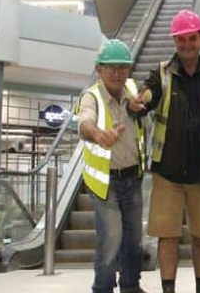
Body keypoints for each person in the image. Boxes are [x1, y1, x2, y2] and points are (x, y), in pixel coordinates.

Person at [129, 9, 200, 293]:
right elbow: (147, 95)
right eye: (181, 40)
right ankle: (168, 288)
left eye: (192, 39)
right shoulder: (161, 73)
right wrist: (138, 103)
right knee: (168, 237)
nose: (187, 45)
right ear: (174, 41)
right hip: (168, 173)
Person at [76, 39, 146, 293]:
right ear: (99, 69)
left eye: (122, 67)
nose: (116, 73)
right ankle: (102, 288)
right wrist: (97, 134)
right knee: (112, 238)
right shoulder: (91, 97)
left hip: (132, 177)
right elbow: (85, 122)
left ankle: (130, 285)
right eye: (110, 67)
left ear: (129, 69)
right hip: (104, 182)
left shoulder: (131, 89)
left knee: (134, 239)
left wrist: (139, 109)